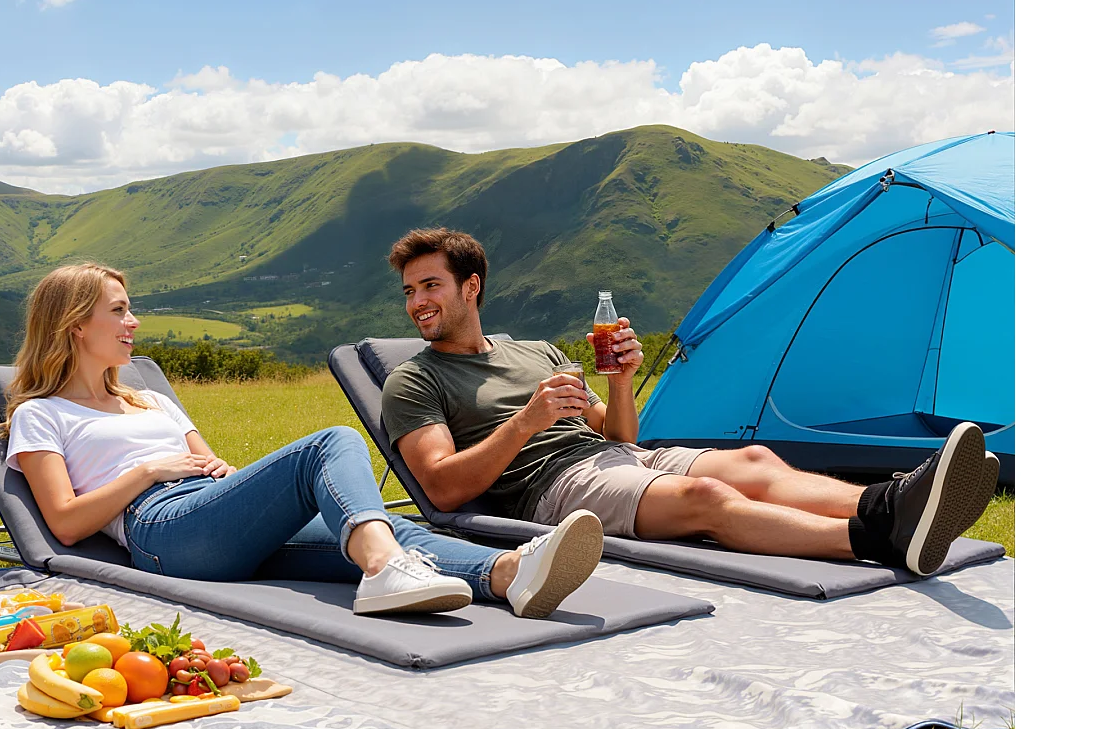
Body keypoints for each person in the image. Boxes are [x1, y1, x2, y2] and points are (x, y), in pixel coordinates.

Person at [0, 262, 604, 618]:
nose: (134, 324)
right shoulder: (42, 414)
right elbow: (69, 523)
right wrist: (149, 470)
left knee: (384, 529)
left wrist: (211, 470)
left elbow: (207, 462)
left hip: (213, 512)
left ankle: (508, 575)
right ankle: (386, 571)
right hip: (160, 529)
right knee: (329, 443)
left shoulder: (148, 397)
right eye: (120, 312)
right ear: (76, 326)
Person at [380, 228, 999, 577]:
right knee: (707, 499)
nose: (417, 303)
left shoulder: (536, 352)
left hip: (616, 459)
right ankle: (877, 541)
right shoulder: (414, 381)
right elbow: (439, 489)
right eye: (410, 291)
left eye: (430, 285)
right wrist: (528, 420)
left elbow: (620, 436)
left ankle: (891, 502)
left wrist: (620, 380)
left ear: (472, 286)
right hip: (552, 489)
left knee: (754, 459)